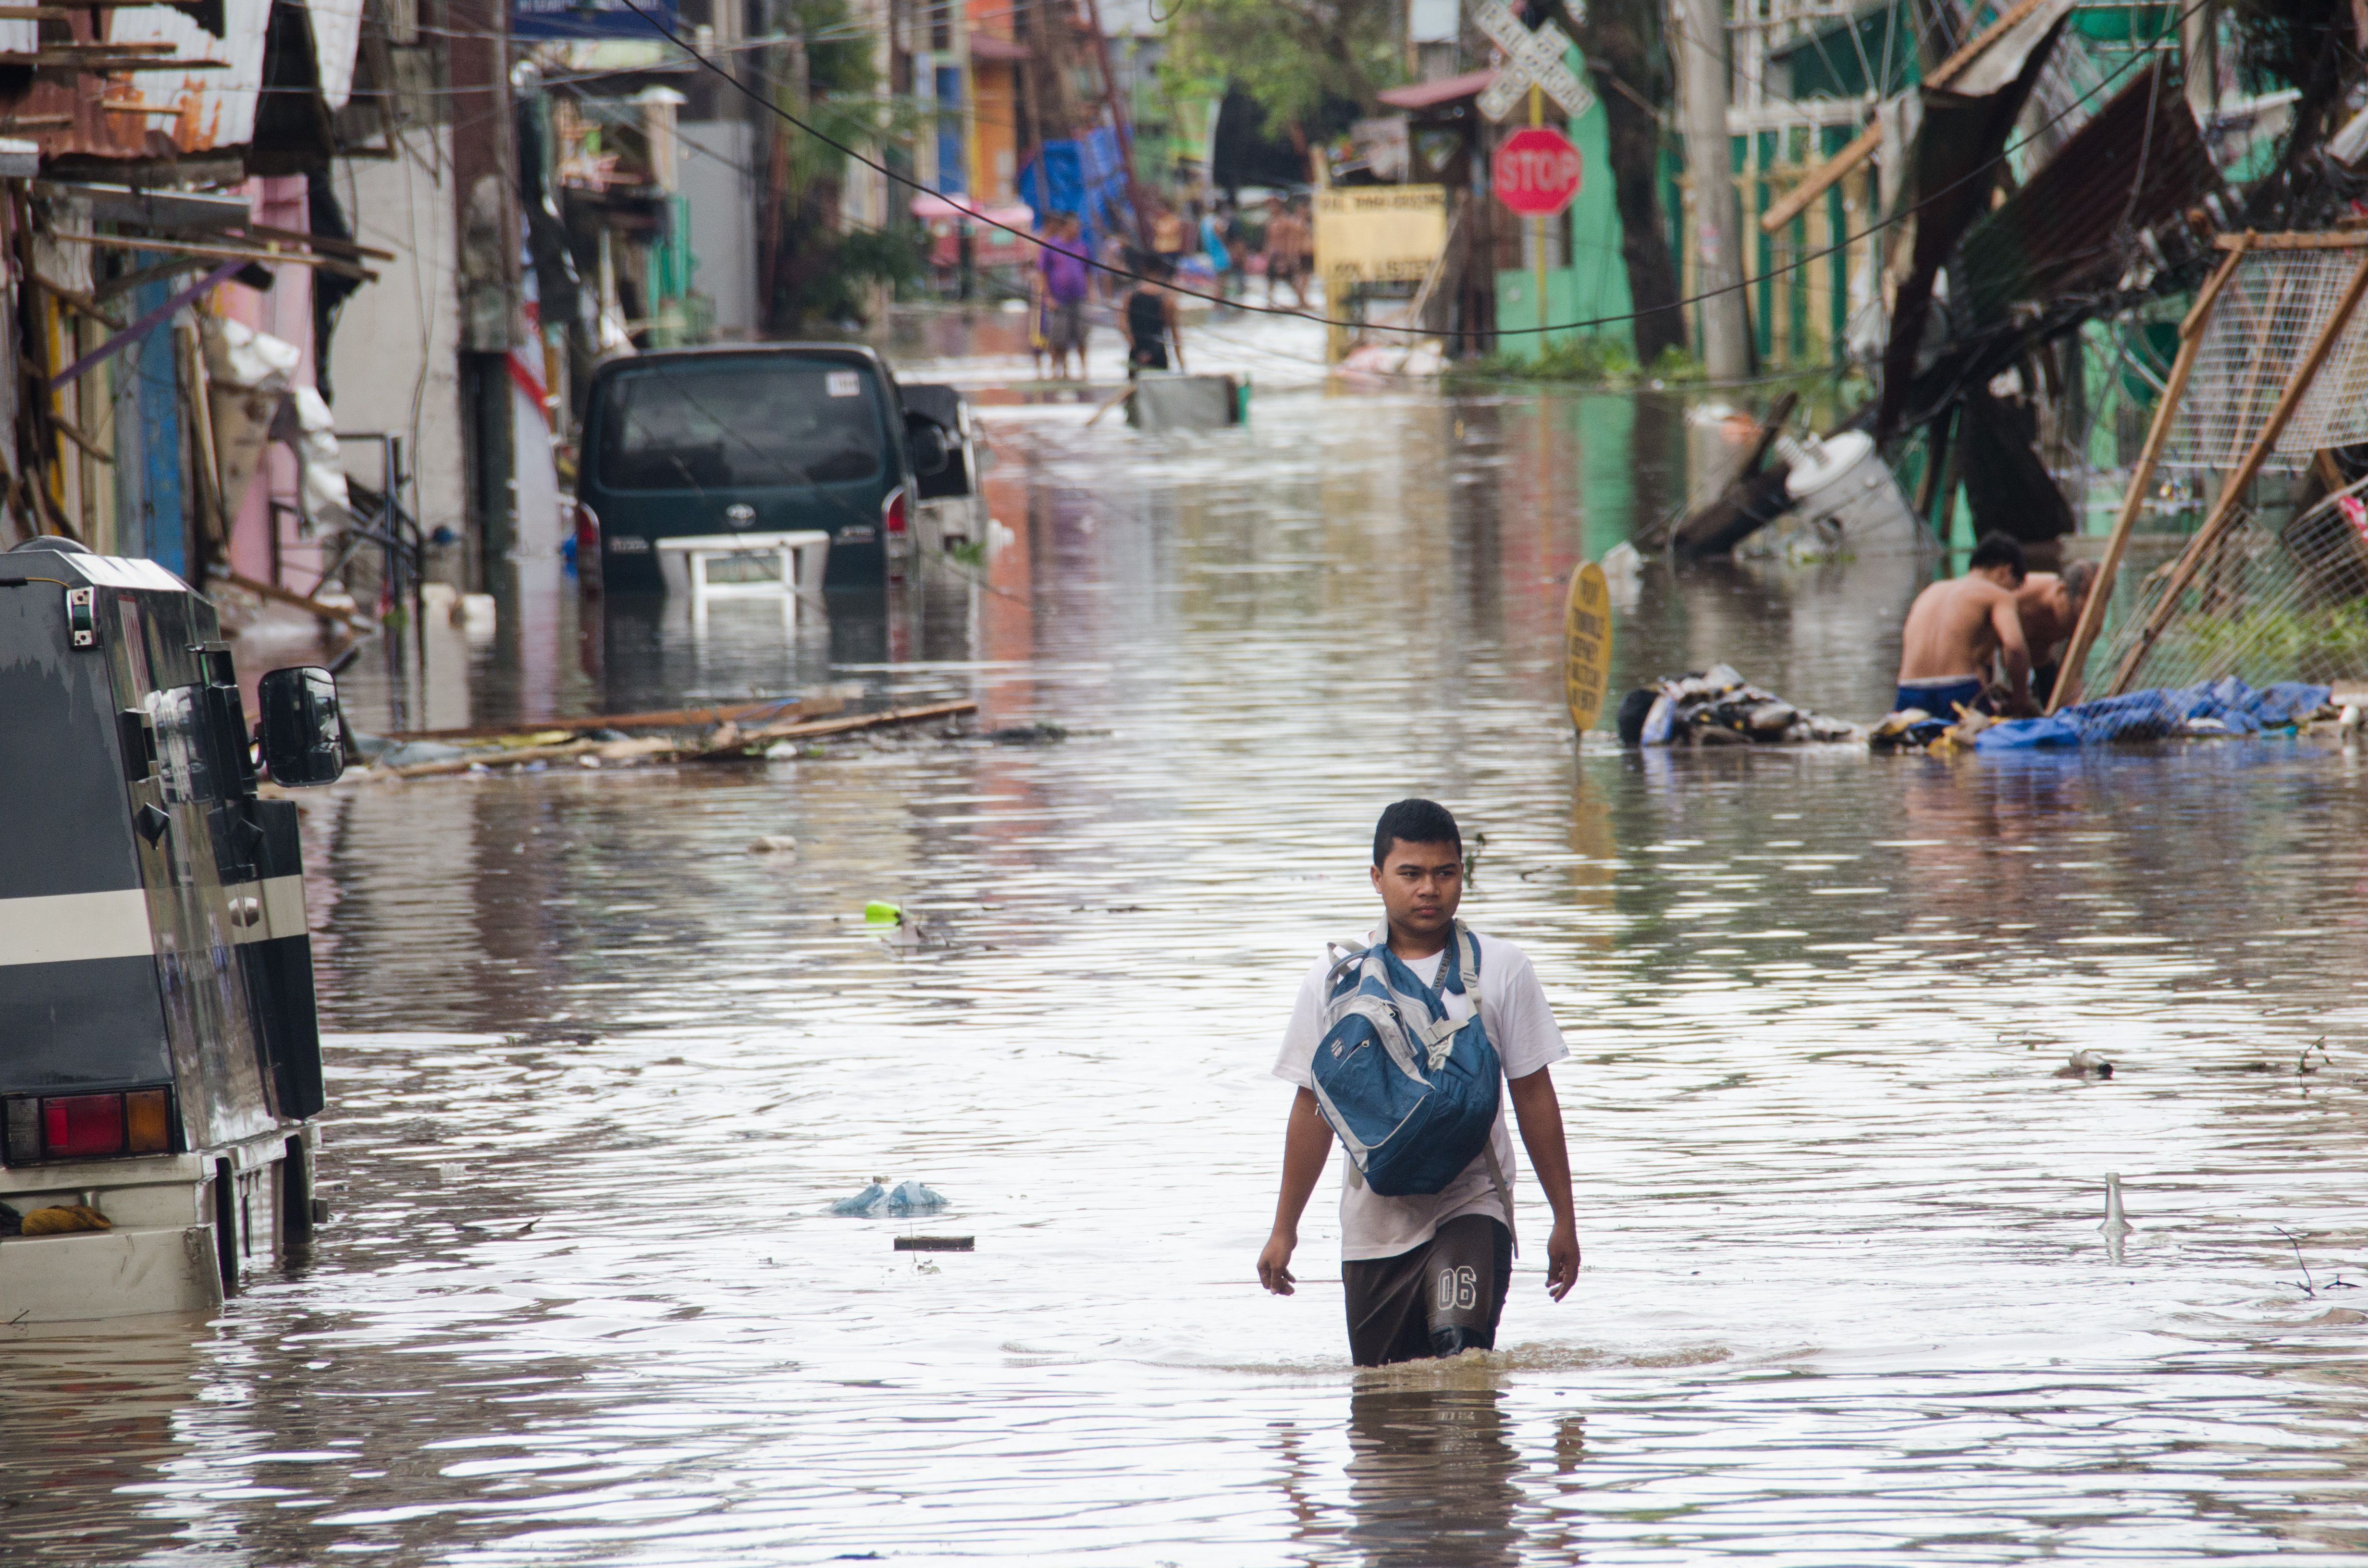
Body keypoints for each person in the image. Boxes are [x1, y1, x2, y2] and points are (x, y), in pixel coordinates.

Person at [1259, 799, 1579, 1367]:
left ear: (1462, 875)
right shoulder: (1336, 981)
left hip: (1472, 1205)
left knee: (1462, 1368)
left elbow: (1533, 1095)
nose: (1428, 889)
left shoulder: (1502, 969)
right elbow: (1313, 1108)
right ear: (1377, 879)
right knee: (1386, 1412)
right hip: (1372, 1227)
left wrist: (1563, 1219)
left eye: (1444, 873)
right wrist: (1284, 1230)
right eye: (1410, 874)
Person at [1895, 532, 2035, 718]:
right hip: (1957, 690)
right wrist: (2021, 698)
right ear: (2004, 572)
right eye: (2013, 587)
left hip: (1909, 690)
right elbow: (2015, 647)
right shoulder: (1997, 595)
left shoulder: (1932, 590)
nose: (2012, 594)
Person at [2014, 559, 2097, 708]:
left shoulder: (2090, 621)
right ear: (2060, 591)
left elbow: (2075, 669)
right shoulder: (2021, 593)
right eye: (2077, 613)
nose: (2078, 624)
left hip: (2041, 659)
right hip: (1995, 653)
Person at [1034, 212, 1092, 381]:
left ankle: (1083, 369)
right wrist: (1048, 297)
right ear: (1065, 227)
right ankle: (1057, 370)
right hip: (1058, 298)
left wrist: (1090, 294)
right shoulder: (1051, 246)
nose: (1077, 230)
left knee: (1082, 334)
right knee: (1058, 336)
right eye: (1074, 226)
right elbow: (1043, 273)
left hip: (1079, 297)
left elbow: (1088, 271)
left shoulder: (1082, 247)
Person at [1124, 260, 1184, 377]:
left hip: (1136, 355)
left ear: (1143, 270)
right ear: (1161, 271)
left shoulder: (1130, 296)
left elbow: (1123, 326)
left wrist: (1137, 349)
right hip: (1159, 355)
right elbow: (1175, 334)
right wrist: (1182, 366)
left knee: (1136, 393)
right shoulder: (1167, 299)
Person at [1263, 195, 1310, 308]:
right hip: (1274, 255)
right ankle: (1270, 302)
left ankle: (1302, 301)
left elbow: (1291, 241)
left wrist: (1290, 257)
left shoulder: (1287, 221)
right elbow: (1269, 241)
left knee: (1291, 279)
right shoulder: (1271, 222)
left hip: (1284, 255)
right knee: (1271, 279)